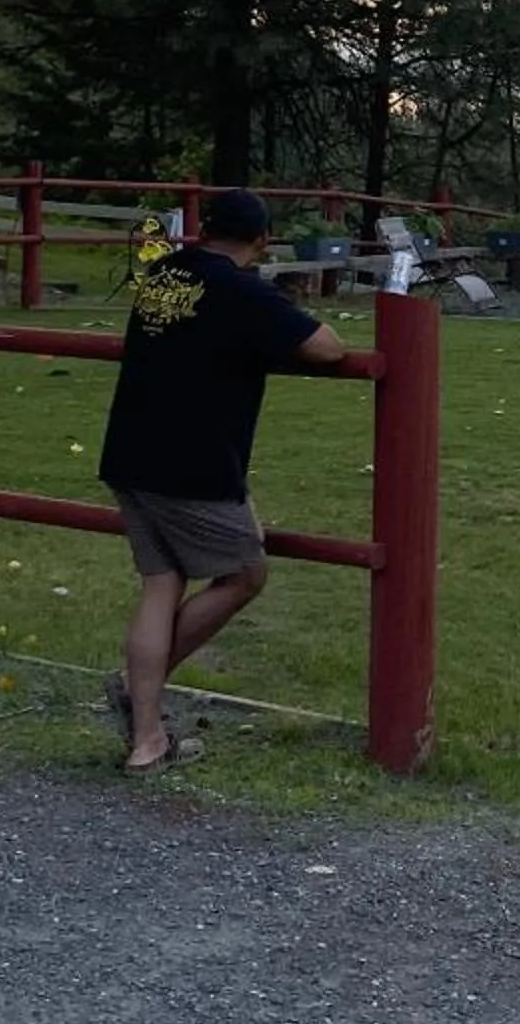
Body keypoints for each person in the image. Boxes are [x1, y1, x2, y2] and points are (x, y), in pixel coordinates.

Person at [98, 188, 346, 773]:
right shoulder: (242, 290)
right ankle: (141, 698)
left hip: (130, 453)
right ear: (261, 241)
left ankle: (147, 737)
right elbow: (327, 348)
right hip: (192, 462)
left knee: (162, 586)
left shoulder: (162, 275)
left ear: (204, 230)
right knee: (244, 575)